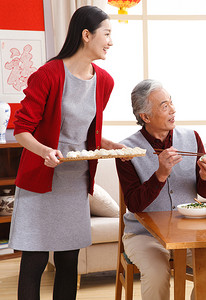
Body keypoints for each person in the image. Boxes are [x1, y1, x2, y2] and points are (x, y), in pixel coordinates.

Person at [8, 5, 124, 300]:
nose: (111, 41)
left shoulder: (105, 81)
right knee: (33, 261)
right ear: (87, 35)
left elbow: (84, 132)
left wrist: (106, 143)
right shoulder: (48, 75)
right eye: (107, 34)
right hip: (40, 180)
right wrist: (44, 151)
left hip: (74, 180)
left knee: (68, 261)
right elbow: (21, 129)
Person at [115, 79, 206, 300]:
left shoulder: (191, 137)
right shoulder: (126, 150)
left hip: (187, 231)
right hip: (143, 235)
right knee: (157, 272)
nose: (173, 110)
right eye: (164, 106)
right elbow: (134, 204)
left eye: (171, 103)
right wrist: (160, 174)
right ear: (145, 117)